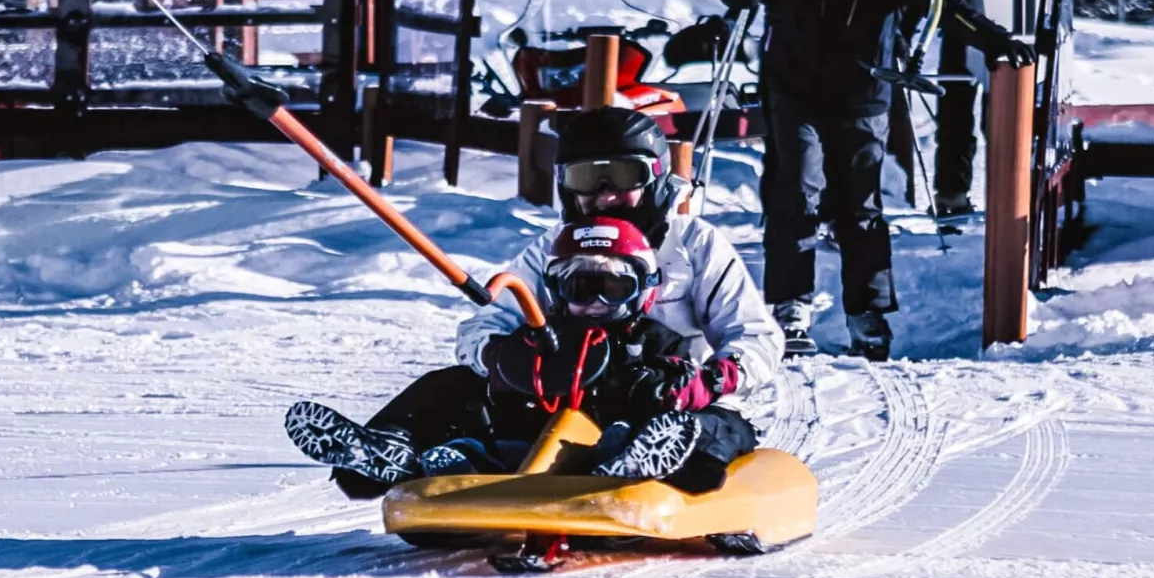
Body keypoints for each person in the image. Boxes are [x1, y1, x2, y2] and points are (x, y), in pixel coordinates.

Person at [284, 106, 785, 497]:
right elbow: (484, 325)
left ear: (653, 177)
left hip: (659, 395)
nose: (604, 195)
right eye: (587, 179)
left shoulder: (694, 244)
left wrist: (713, 377)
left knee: (724, 425)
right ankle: (394, 448)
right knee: (453, 386)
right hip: (563, 395)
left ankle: (653, 457)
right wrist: (500, 358)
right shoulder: (555, 247)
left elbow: (757, 336)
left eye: (622, 178)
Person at [721, 0, 1034, 361]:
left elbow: (945, 9)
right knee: (797, 192)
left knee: (860, 206)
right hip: (795, 90)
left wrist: (996, 40)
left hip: (864, 93)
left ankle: (867, 311)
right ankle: (791, 305)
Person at [928, 0, 982, 218]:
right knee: (953, 121)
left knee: (1001, 120)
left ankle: (1012, 192)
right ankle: (952, 193)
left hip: (996, 34)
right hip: (957, 39)